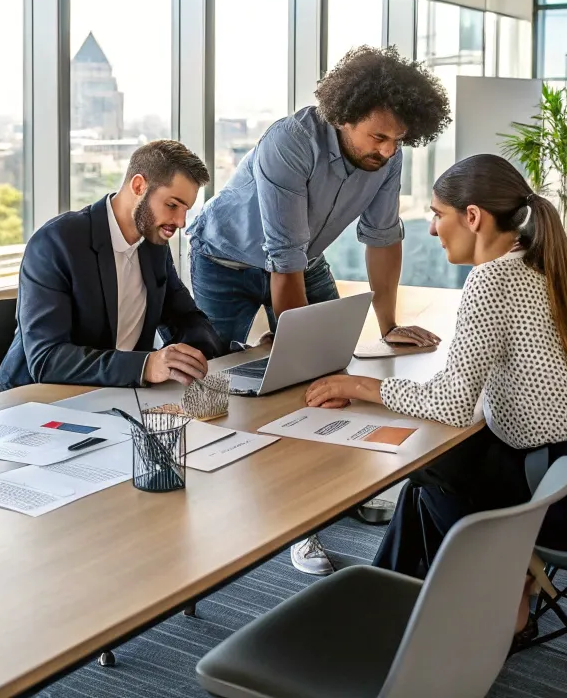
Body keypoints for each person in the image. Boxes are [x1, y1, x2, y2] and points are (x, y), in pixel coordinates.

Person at [305, 153, 567, 636]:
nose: (431, 230)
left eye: (437, 214)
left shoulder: (491, 279)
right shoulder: (541, 261)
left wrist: (358, 385)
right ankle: (397, 610)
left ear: (473, 217)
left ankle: (461, 603)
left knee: (428, 465)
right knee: (429, 482)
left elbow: (450, 403)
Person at [188, 46, 452, 576]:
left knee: (336, 376)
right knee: (211, 385)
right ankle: (210, 510)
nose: (385, 150)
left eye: (397, 139)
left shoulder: (386, 153)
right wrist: (295, 353)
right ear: (342, 114)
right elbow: (280, 259)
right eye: (377, 136)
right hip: (226, 261)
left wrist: (390, 325)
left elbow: (382, 238)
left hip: (300, 257)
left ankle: (325, 501)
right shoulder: (291, 144)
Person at [0, 140, 223, 391]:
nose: (180, 222)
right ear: (139, 186)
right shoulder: (56, 242)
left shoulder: (153, 244)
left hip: (120, 395)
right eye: (172, 205)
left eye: (185, 210)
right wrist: (145, 366)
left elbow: (185, 317)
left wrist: (201, 354)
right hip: (41, 399)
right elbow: (47, 359)